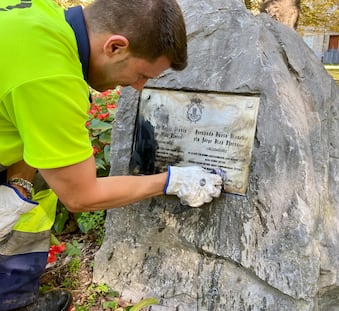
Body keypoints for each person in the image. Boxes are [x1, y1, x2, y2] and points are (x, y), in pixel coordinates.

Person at [0, 0, 223, 310]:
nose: (139, 87)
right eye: (142, 74)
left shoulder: (38, 12)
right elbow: (80, 196)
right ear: (115, 47)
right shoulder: (52, 78)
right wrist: (171, 181)